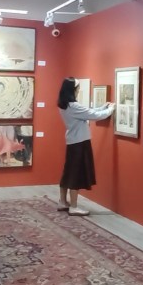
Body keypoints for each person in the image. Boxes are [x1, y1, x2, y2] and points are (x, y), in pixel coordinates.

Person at [56, 77, 114, 216]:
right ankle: (74, 206)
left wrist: (102, 107)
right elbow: (94, 115)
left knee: (68, 172)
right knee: (76, 174)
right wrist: (111, 109)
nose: (78, 91)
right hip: (80, 142)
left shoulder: (64, 105)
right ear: (73, 90)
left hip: (72, 141)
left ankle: (63, 201)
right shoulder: (74, 106)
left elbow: (88, 111)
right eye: (77, 89)